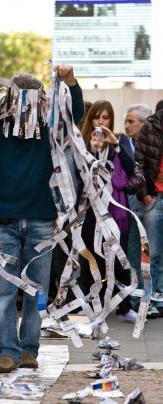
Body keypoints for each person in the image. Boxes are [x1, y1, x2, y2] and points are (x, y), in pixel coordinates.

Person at [0, 65, 84, 373]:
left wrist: (69, 81)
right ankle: (7, 351)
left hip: (42, 217)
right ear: (10, 100)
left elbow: (76, 112)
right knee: (2, 290)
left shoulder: (49, 125)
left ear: (43, 99)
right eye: (19, 98)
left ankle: (29, 349)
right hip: (3, 217)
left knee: (37, 290)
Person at [80, 100, 137, 323]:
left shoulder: (119, 139)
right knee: (91, 257)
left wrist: (116, 145)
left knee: (119, 257)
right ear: (91, 119)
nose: (101, 122)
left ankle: (123, 306)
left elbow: (132, 168)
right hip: (90, 208)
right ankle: (93, 304)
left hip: (116, 208)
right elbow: (78, 174)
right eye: (97, 117)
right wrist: (92, 151)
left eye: (106, 118)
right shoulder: (84, 142)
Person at [135, 99, 163, 318]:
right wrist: (144, 194)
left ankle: (160, 297)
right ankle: (148, 299)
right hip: (155, 197)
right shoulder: (150, 127)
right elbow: (139, 163)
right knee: (151, 252)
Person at [124, 104, 152, 313]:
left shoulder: (153, 144)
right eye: (126, 121)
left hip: (149, 203)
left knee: (152, 252)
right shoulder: (124, 144)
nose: (126, 126)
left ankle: (151, 297)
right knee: (133, 251)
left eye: (131, 121)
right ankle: (136, 298)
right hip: (129, 205)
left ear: (145, 124)